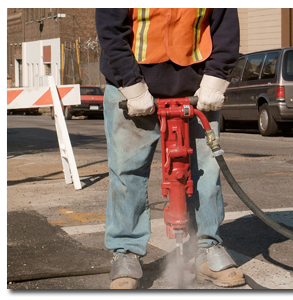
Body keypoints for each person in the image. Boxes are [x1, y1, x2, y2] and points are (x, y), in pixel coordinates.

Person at [95, 8, 244, 289]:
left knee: (206, 171)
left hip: (198, 90)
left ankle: (206, 247)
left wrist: (215, 79)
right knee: (127, 173)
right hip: (131, 87)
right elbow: (111, 30)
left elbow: (225, 28)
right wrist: (131, 86)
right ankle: (126, 251)